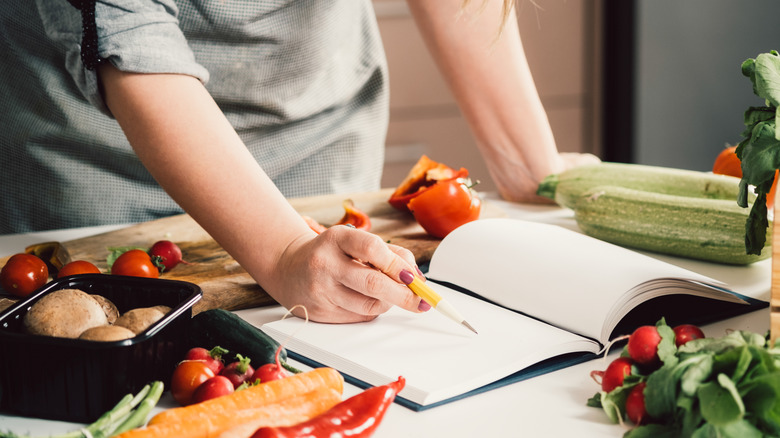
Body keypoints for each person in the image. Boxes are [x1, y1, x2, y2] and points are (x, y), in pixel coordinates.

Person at [1, 0, 598, 323]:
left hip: (320, 142)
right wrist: (283, 251)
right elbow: (131, 37)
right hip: (100, 169)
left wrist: (528, 162)